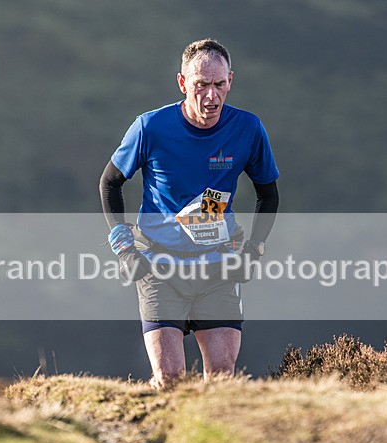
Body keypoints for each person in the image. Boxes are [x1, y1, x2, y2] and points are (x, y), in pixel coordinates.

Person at [99, 38, 279, 388]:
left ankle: (209, 441)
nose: (211, 96)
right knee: (170, 379)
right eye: (201, 85)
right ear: (182, 83)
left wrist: (253, 250)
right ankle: (157, 434)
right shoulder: (150, 127)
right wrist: (124, 249)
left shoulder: (247, 128)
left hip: (218, 267)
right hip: (159, 266)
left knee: (222, 380)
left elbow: (268, 194)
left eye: (219, 84)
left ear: (231, 81)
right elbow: (109, 184)